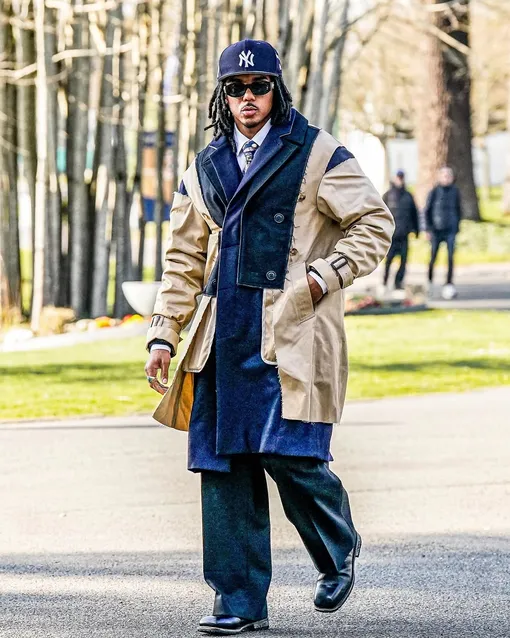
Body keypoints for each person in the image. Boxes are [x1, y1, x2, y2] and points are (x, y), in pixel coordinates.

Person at [144, 39, 394, 635]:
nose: (248, 97)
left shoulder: (318, 151)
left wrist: (324, 276)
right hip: (221, 337)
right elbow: (183, 261)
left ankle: (337, 546)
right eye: (236, 89)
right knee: (224, 470)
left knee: (291, 452)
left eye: (259, 87)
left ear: (276, 91)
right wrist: (163, 335)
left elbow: (374, 222)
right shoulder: (203, 168)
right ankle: (237, 600)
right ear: (223, 97)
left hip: (291, 331)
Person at [424, 166, 462, 299]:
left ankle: (449, 283)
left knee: (450, 257)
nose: (446, 178)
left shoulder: (455, 191)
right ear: (440, 177)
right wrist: (428, 229)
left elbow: (458, 209)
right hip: (436, 230)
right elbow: (427, 211)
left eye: (449, 176)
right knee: (433, 257)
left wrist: (457, 226)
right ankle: (429, 281)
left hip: (450, 230)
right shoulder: (434, 191)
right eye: (444, 176)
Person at [382, 169, 419, 290]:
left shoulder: (408, 195)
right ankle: (385, 281)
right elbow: (380, 214)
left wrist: (416, 230)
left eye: (401, 177)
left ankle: (398, 282)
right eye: (398, 177)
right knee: (389, 260)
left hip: (404, 233)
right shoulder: (387, 195)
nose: (400, 180)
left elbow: (414, 213)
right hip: (391, 235)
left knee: (403, 260)